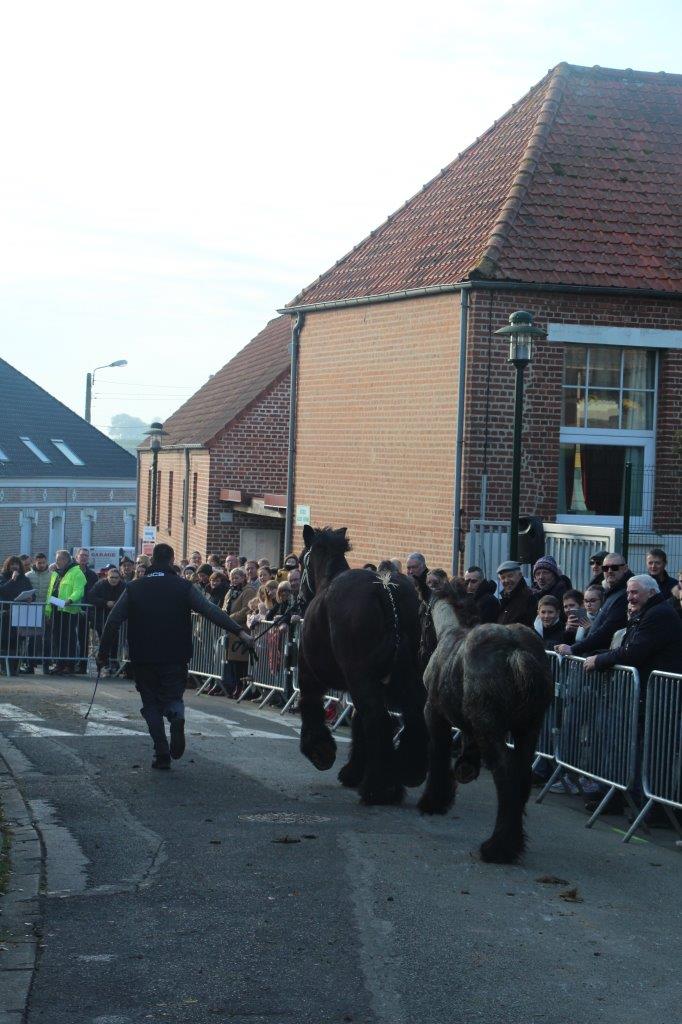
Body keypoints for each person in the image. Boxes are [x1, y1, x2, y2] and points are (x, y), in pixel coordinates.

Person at [98, 543, 254, 769]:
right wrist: (239, 631)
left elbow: (113, 621)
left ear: (151, 562)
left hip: (143, 656)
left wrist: (103, 653)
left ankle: (161, 753)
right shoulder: (182, 587)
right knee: (173, 697)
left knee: (150, 703)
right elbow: (211, 611)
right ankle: (176, 717)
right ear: (172, 560)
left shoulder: (134, 588)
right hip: (175, 654)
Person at [555, 553, 632, 657]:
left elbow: (607, 631)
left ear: (625, 568)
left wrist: (574, 649)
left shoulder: (624, 594)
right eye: (605, 568)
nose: (609, 571)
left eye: (614, 567)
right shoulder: (612, 592)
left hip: (604, 658)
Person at [45, 550, 86, 675]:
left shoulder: (77, 572)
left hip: (68, 610)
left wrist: (70, 599)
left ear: (67, 560)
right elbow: (50, 592)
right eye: (56, 559)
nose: (57, 562)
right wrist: (47, 611)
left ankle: (69, 665)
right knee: (56, 638)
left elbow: (79, 591)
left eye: (59, 559)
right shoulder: (55, 573)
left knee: (69, 638)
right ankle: (59, 664)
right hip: (56, 609)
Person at [223, 567, 257, 696]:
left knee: (241, 662)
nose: (234, 580)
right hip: (231, 632)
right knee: (232, 662)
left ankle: (242, 687)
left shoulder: (248, 591)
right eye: (232, 578)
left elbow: (246, 610)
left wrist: (228, 619)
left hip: (241, 631)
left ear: (243, 578)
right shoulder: (231, 592)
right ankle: (235, 685)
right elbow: (224, 607)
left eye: (237, 577)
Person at [90, 566, 127, 673]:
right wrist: (105, 603)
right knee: (104, 640)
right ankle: (104, 662)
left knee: (116, 641)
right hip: (101, 617)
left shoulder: (124, 586)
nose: (114, 580)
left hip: (116, 619)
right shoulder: (100, 585)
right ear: (107, 577)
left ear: (120, 578)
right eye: (112, 578)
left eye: (116, 578)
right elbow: (91, 597)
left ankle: (114, 661)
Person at [496, 560, 536, 627]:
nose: (506, 580)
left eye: (510, 576)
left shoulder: (529, 597)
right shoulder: (505, 599)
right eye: (503, 578)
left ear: (520, 575)